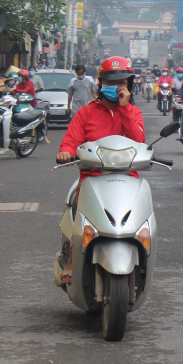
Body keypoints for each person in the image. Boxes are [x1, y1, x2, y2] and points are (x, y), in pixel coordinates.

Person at [55, 56, 145, 285]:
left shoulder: (133, 112)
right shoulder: (86, 112)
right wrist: (66, 151)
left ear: (129, 85)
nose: (117, 88)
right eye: (111, 82)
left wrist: (124, 109)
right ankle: (73, 259)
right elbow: (70, 141)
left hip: (128, 176)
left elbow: (139, 141)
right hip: (92, 177)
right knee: (81, 214)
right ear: (101, 83)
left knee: (142, 217)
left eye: (122, 83)